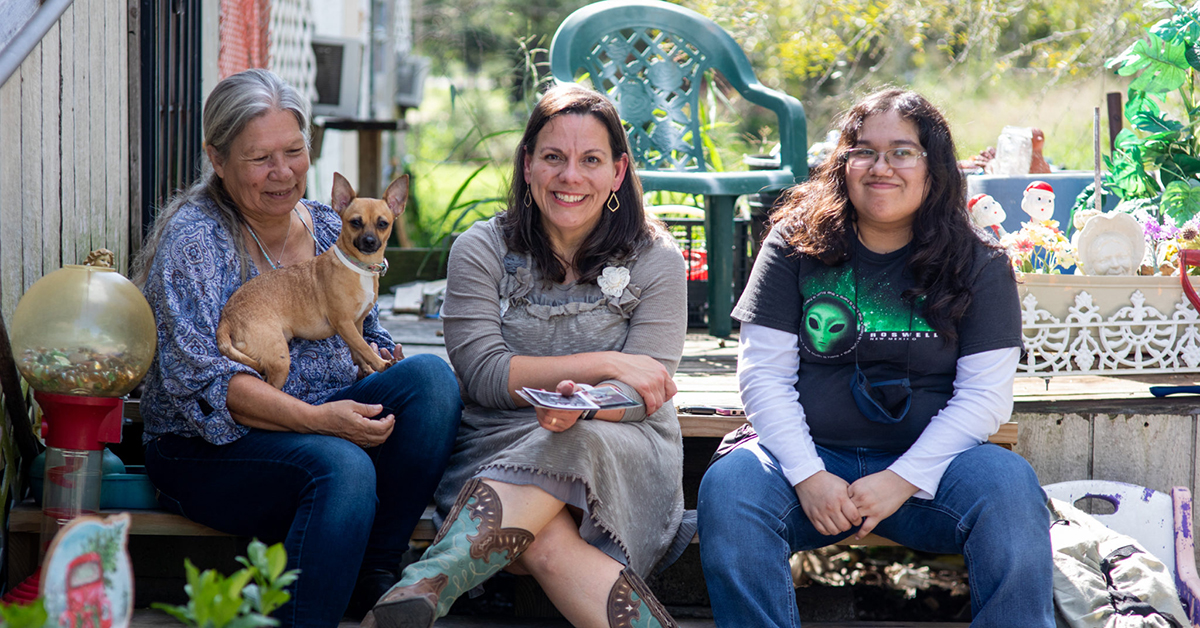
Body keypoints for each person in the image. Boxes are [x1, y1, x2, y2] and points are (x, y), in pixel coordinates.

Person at [697, 89, 1054, 627]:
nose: (880, 167)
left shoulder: (979, 262)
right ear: (843, 164)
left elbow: (985, 398)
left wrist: (901, 479)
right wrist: (808, 477)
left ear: (934, 167)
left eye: (902, 152)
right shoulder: (793, 246)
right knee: (731, 488)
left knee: (1008, 487)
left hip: (933, 474)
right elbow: (763, 377)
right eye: (863, 151)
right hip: (809, 463)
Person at [131, 68, 462, 628]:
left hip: (330, 419)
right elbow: (211, 387)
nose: (282, 172)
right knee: (343, 465)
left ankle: (374, 577)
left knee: (432, 381)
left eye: (294, 150)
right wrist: (319, 421)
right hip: (211, 447)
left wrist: (382, 361)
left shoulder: (334, 222)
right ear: (217, 158)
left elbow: (367, 328)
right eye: (260, 158)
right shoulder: (195, 242)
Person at [364, 83, 691, 628]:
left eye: (591, 160)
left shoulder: (657, 259)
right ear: (527, 165)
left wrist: (585, 405)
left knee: (576, 437)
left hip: (619, 443)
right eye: (553, 158)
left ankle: (426, 585)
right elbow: (486, 375)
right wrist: (603, 364)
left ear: (617, 172)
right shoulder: (481, 248)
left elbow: (645, 389)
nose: (570, 176)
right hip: (500, 439)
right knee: (542, 545)